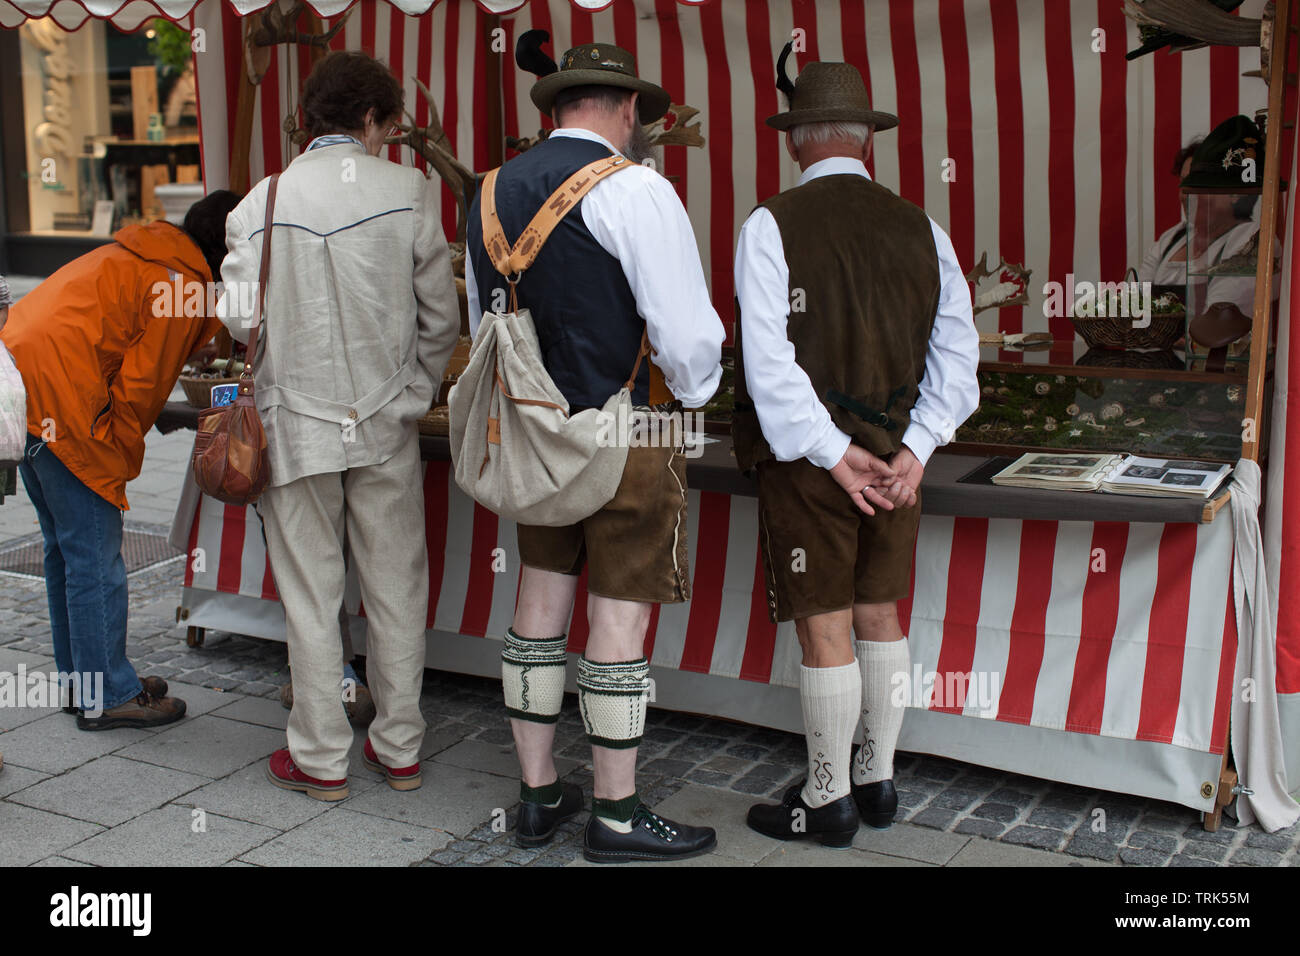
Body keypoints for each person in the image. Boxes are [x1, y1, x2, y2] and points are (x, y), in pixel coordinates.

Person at [465, 41, 725, 862]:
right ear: (624, 110)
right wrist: (699, 396)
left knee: (539, 603)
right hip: (632, 426)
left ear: (557, 109)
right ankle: (615, 815)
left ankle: (538, 794)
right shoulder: (639, 188)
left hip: (535, 433)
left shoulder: (488, 192)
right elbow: (686, 341)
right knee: (618, 616)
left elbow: (487, 329)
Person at [734, 51, 979, 846]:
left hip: (813, 464)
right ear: (864, 143)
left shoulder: (770, 223)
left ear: (797, 140)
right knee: (880, 611)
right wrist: (917, 449)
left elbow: (766, 366)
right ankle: (876, 782)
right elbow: (958, 359)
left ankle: (829, 798)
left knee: (826, 623)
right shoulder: (924, 227)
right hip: (895, 458)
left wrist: (832, 454)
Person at [218, 51, 460, 802]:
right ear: (368, 118)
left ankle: (321, 756)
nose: (388, 139)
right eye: (387, 125)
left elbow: (236, 318)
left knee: (309, 593)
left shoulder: (259, 202)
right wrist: (414, 393)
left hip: (294, 423)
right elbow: (441, 319)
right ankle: (400, 748)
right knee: (396, 590)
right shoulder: (411, 191)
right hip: (385, 421)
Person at [1, 190, 240, 730]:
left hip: (19, 389)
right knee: (95, 557)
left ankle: (82, 680)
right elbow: (139, 390)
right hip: (65, 403)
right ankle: (108, 692)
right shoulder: (182, 284)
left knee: (64, 552)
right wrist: (115, 463)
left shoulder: (144, 254)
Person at [1137, 138, 1201, 289]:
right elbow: (1137, 298)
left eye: (1194, 184)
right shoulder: (1168, 240)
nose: (1185, 195)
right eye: (1183, 184)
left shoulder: (1239, 242)